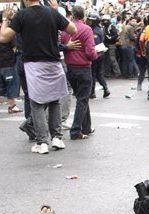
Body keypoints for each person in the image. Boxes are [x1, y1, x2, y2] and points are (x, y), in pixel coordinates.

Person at [0, 0, 77, 154]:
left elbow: (3, 37)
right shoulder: (52, 12)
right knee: (54, 100)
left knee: (37, 103)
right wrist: (56, 10)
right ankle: (57, 137)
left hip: (34, 64)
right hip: (54, 63)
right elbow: (72, 29)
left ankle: (42, 142)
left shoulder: (22, 15)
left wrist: (5, 19)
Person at [60, 6, 97, 141]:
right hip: (83, 67)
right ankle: (76, 130)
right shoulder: (86, 29)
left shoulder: (65, 30)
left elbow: (62, 46)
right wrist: (95, 55)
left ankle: (86, 127)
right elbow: (90, 51)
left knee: (82, 97)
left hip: (70, 67)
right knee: (82, 99)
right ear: (84, 16)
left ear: (72, 15)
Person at [0, 13, 21, 114]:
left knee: (0, 83)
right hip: (8, 61)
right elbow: (14, 48)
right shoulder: (8, 31)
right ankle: (12, 106)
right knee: (11, 83)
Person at [87, 11, 109, 99]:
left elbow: (94, 44)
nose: (88, 21)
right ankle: (105, 88)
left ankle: (92, 93)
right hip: (100, 54)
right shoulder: (98, 29)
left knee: (93, 73)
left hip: (97, 53)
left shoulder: (94, 31)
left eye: (90, 20)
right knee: (99, 73)